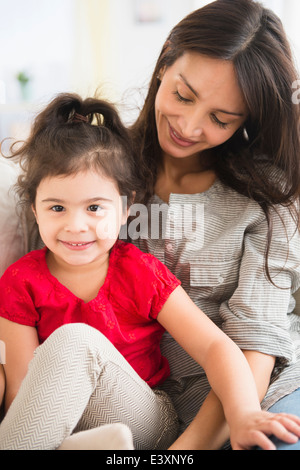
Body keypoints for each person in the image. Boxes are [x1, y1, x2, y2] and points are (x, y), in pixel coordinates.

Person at [1, 93, 300, 451]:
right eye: (57, 208)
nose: (76, 225)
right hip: (60, 419)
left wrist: (244, 413)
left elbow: (214, 346)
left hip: (145, 418)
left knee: (74, 340)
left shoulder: (138, 270)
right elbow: (23, 394)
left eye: (94, 207)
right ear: (34, 211)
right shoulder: (19, 281)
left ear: (126, 208)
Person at [128, 0, 300, 450]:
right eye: (183, 96)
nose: (188, 125)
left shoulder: (270, 192)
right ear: (166, 60)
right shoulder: (99, 169)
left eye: (220, 119)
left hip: (265, 392)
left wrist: (188, 451)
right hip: (148, 404)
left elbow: (258, 342)